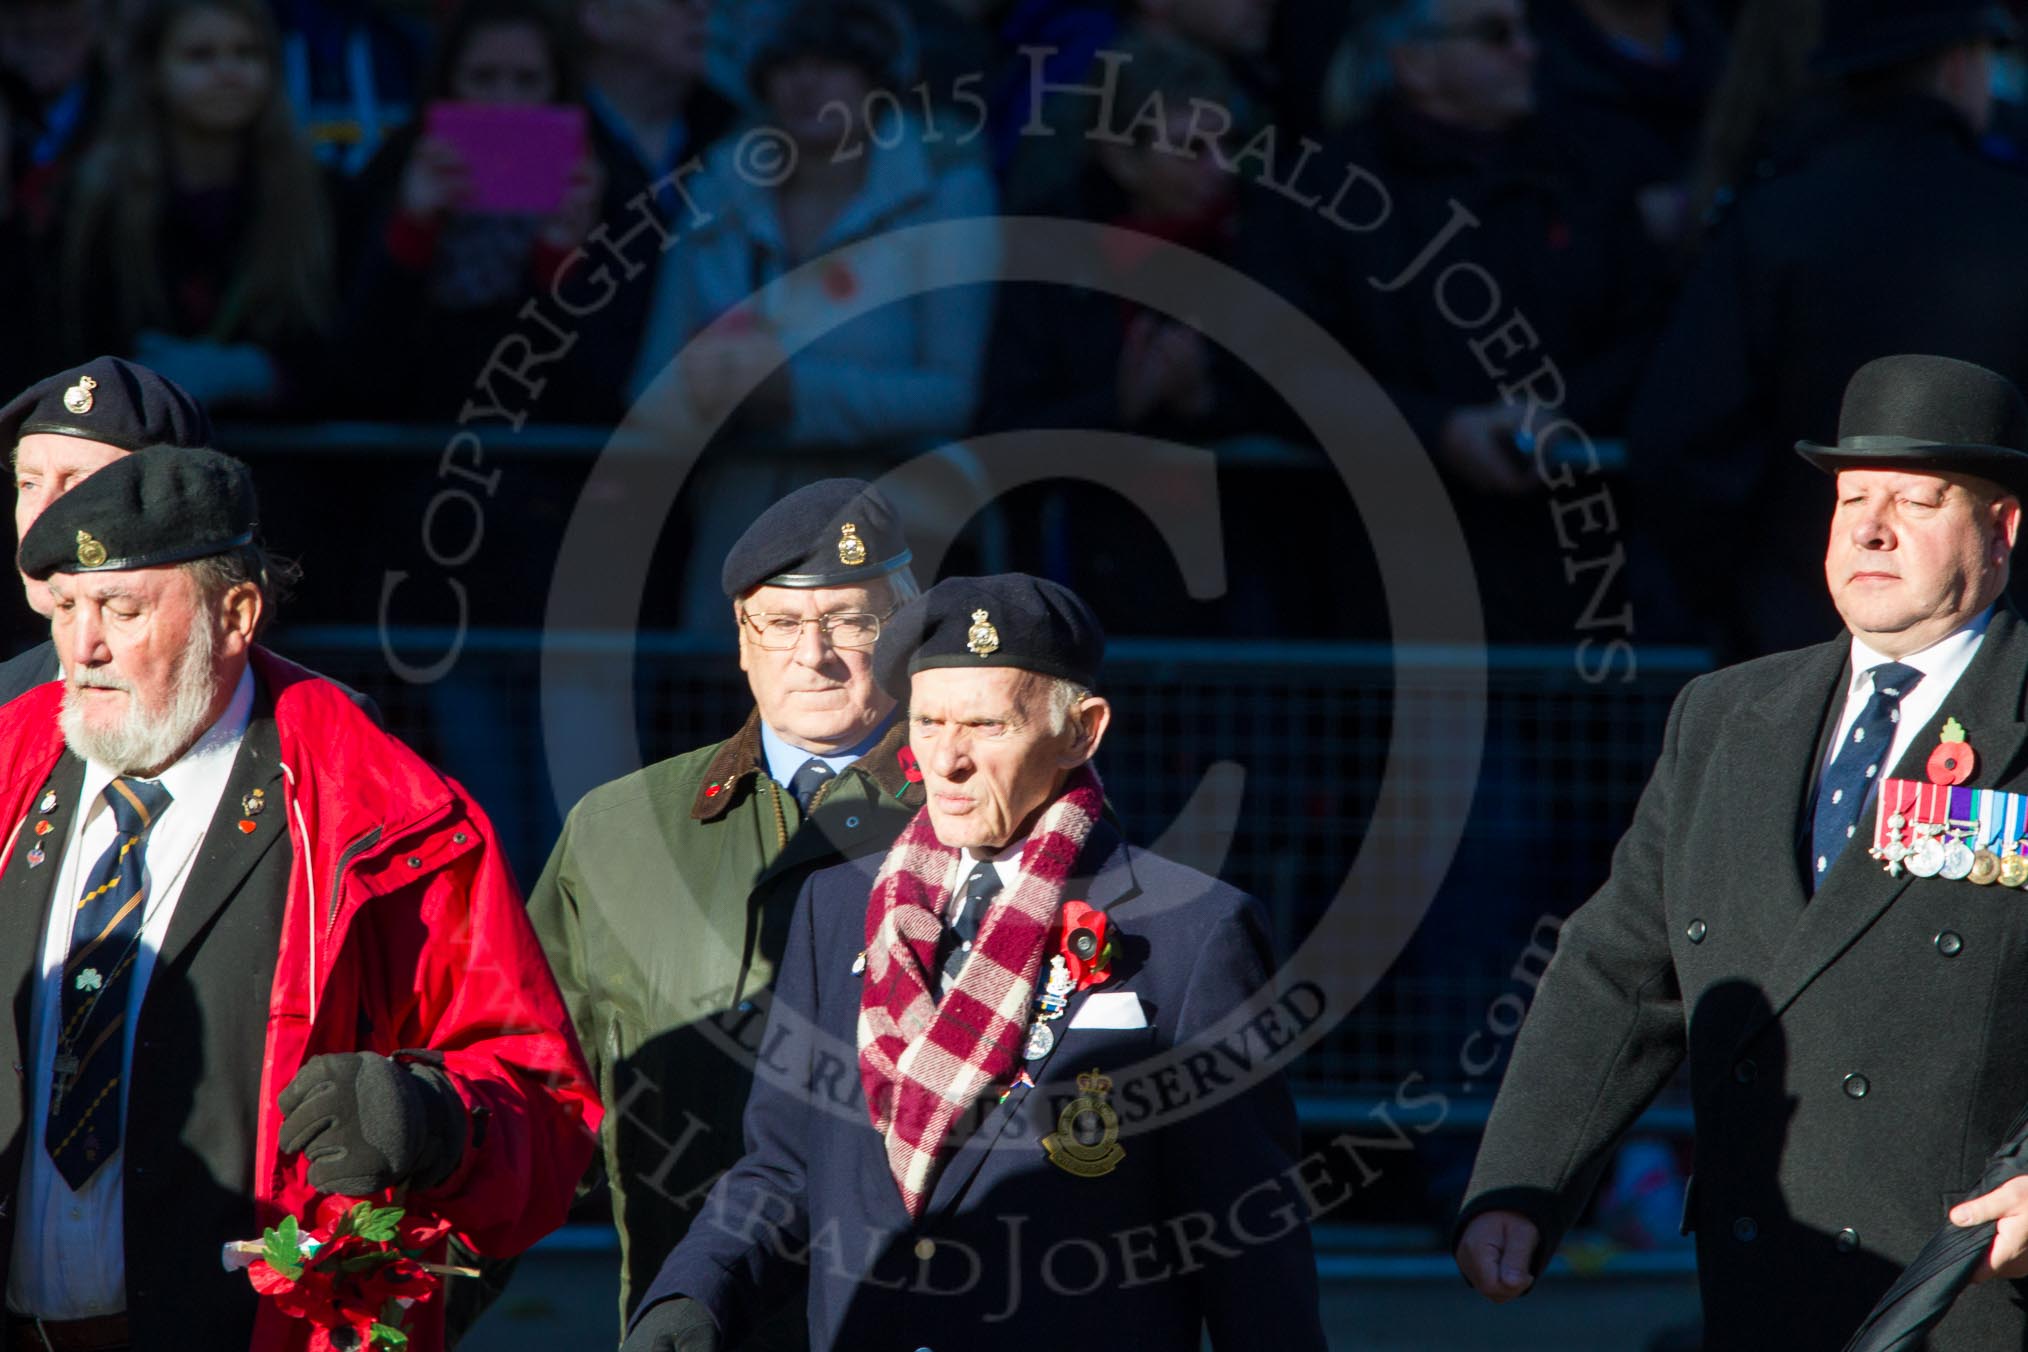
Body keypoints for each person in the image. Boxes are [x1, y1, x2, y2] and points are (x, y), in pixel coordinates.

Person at [1458, 353, 2028, 1348]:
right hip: (1767, 1274)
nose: (1870, 526)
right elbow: (1621, 969)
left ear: (2002, 529)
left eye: (1916, 499)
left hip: (1972, 1285)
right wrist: (1523, 1179)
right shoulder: (1729, 717)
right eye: (1852, 496)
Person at [623, 574, 1326, 1351]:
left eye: (986, 725)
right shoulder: (834, 906)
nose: (944, 760)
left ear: (1081, 731)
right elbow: (786, 1168)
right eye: (928, 721)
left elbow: (1245, 1238)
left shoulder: (1195, 930)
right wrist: (692, 1299)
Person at [0, 444, 600, 1350]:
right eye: (68, 608)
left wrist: (431, 1119)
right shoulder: (5, 764)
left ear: (235, 613)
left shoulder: (391, 813)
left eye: (122, 609)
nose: (82, 647)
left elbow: (545, 1110)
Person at [529, 478, 927, 1336]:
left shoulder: (987, 815)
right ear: (741, 644)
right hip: (690, 1323)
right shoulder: (616, 831)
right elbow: (533, 1099)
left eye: (851, 622)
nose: (811, 655)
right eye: (779, 624)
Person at [1250, 0, 1664, 639]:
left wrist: (1558, 417)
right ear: (1413, 63)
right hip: (1378, 582)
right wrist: (1437, 429)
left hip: (1575, 581)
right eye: (1496, 34)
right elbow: (1280, 364)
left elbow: (1652, 330)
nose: (1527, 51)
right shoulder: (1321, 190)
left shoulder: (1586, 171)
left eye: (1529, 29)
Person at [1628, 0, 2028, 660]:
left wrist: (1750, 594)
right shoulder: (2011, 217)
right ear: (1959, 66)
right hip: (1997, 641)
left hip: (1793, 637)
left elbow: (1684, 442)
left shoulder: (1774, 219)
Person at [49, 0, 336, 414]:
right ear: (152, 71)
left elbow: (343, 351)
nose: (229, 72)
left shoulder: (321, 194)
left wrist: (255, 372)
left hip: (285, 455)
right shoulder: (94, 199)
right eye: (199, 55)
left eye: (248, 53)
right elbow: (71, 340)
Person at [338, 0, 609, 419]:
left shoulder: (597, 185)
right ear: (447, 84)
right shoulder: (395, 173)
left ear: (558, 88)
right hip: (405, 455)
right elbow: (355, 374)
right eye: (482, 78)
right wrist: (412, 232)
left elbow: (591, 391)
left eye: (527, 80)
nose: (504, 103)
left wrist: (558, 264)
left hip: (536, 460)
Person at [0, 357, 215, 704]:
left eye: (82, 486)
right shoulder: (6, 701)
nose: (41, 518)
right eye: (29, 484)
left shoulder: (294, 724)